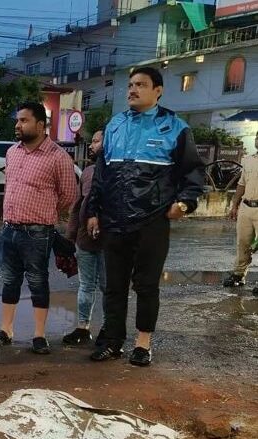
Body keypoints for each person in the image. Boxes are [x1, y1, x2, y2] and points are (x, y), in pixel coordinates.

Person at [86, 66, 205, 366]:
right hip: (114, 221)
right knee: (113, 286)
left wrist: (185, 203)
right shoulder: (115, 125)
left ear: (158, 90)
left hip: (152, 221)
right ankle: (113, 341)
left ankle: (142, 344)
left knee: (147, 285)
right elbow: (101, 174)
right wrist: (93, 212)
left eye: (140, 84)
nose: (132, 89)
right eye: (130, 84)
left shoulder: (175, 127)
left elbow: (193, 172)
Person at [0, 101, 78, 354]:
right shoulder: (12, 152)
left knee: (37, 281)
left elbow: (69, 194)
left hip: (38, 231)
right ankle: (6, 330)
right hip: (9, 228)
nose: (18, 125)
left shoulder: (58, 157)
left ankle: (39, 335)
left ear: (40, 125)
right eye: (17, 120)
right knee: (9, 280)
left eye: (24, 120)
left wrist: (44, 211)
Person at [63, 130, 106, 346]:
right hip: (86, 239)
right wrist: (71, 236)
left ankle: (106, 329)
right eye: (92, 141)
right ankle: (84, 327)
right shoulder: (88, 171)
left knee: (106, 286)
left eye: (96, 141)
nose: (91, 145)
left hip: (109, 240)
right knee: (88, 285)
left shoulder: (117, 171)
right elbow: (77, 206)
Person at [224, 131, 258, 292]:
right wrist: (234, 204)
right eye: (257, 137)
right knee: (243, 242)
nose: (257, 140)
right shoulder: (248, 160)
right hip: (246, 207)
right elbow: (241, 184)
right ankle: (238, 275)